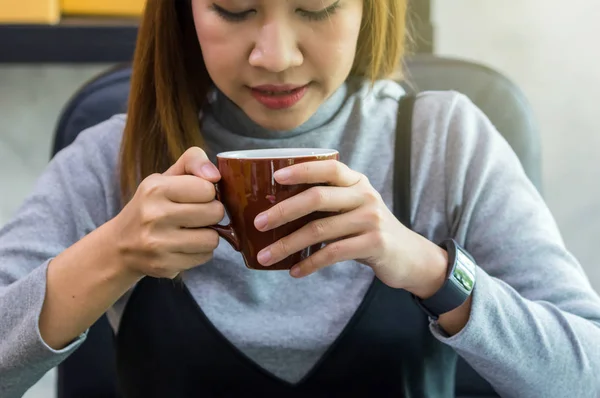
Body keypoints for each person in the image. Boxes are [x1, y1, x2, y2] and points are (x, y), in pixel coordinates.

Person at [1, 0, 599, 397]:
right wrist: (113, 255)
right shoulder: (113, 157)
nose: (276, 57)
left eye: (315, 5)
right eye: (234, 8)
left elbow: (586, 372)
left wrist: (428, 269)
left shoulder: (446, 143)